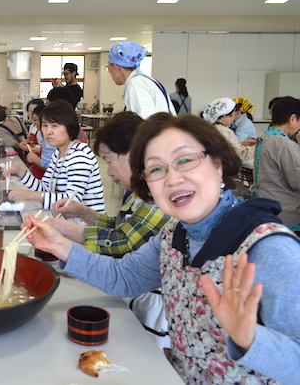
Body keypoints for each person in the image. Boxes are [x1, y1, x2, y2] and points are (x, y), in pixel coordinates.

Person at [24, 112, 300, 385]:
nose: (173, 179)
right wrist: (59, 245)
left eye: (185, 160)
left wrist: (252, 339)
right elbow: (124, 278)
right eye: (156, 168)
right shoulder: (174, 236)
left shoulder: (270, 249)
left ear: (218, 163)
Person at [49, 112, 172, 348]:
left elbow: (124, 242)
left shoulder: (161, 198)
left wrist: (65, 233)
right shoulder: (140, 193)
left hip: (154, 311)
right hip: (136, 297)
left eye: (108, 159)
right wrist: (84, 213)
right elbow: (121, 227)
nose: (108, 172)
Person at [4, 100, 105, 213]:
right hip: (67, 220)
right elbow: (46, 188)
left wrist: (32, 195)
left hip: (86, 226)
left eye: (55, 125)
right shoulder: (58, 153)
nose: (48, 131)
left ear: (69, 125)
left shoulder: (80, 155)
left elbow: (70, 201)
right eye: (45, 125)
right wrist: (21, 171)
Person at [255, 96, 300, 234]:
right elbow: (297, 181)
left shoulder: (264, 137)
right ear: (292, 119)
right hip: (285, 215)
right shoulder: (283, 144)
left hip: (267, 208)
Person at [107, 41, 175, 119]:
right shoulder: (143, 80)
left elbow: (144, 122)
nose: (109, 70)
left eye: (109, 66)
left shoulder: (136, 84)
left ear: (117, 66)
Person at [203, 97, 255, 167]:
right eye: (233, 115)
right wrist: (256, 147)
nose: (233, 118)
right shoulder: (225, 131)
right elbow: (240, 155)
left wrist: (239, 143)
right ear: (225, 115)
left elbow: (223, 147)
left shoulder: (209, 128)